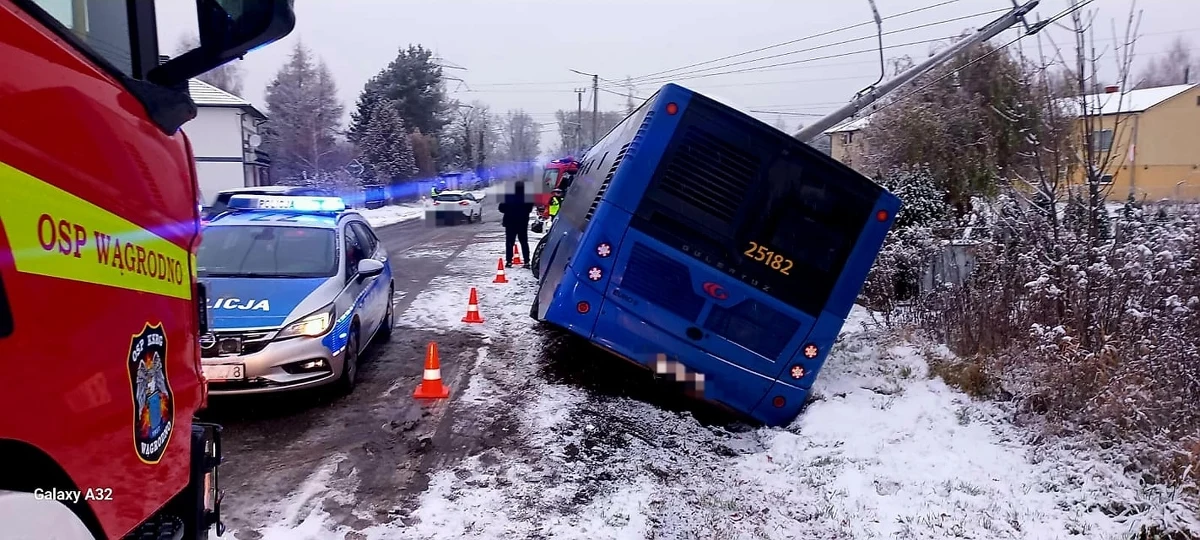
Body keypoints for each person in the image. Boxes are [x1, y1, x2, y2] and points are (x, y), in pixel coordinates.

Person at [498, 181, 534, 268]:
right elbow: (529, 209)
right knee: (524, 242)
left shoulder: (508, 196)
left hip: (510, 222)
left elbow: (501, 208)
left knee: (510, 242)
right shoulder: (527, 197)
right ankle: (526, 261)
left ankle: (509, 261)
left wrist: (509, 211)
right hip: (522, 222)